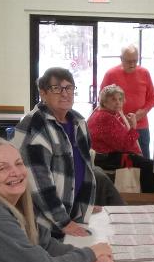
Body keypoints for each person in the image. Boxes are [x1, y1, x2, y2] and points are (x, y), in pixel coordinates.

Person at [14, 67, 96, 239]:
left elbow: (84, 168)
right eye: (56, 88)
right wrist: (63, 222)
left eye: (69, 88)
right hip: (43, 225)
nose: (64, 93)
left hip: (70, 216)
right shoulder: (34, 125)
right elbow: (38, 183)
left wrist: (84, 206)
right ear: (43, 94)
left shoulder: (78, 122)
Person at [88, 84, 154, 193]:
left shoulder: (98, 113)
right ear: (104, 101)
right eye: (113, 99)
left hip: (103, 157)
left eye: (120, 99)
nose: (118, 102)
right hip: (109, 159)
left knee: (148, 163)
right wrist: (133, 127)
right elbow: (125, 145)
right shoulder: (106, 118)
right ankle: (151, 200)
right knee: (152, 167)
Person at [100, 45, 154, 157]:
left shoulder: (144, 73)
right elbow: (102, 100)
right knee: (121, 165)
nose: (132, 64)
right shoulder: (110, 74)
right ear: (121, 59)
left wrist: (144, 111)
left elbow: (152, 98)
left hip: (141, 127)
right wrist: (118, 117)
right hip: (118, 127)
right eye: (128, 61)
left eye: (135, 61)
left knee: (143, 163)